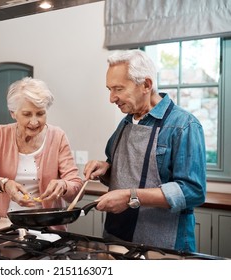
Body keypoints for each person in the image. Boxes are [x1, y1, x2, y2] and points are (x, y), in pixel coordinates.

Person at [83, 49, 206, 252]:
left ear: (146, 85)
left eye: (118, 89)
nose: (112, 98)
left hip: (162, 244)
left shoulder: (184, 125)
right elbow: (125, 169)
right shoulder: (125, 123)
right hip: (116, 238)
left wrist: (130, 197)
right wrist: (105, 168)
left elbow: (193, 191)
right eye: (109, 89)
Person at [0, 77, 83, 231]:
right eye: (27, 114)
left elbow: (77, 188)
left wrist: (64, 186)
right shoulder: (0, 134)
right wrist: (4, 184)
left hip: (48, 229)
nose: (34, 122)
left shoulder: (57, 136)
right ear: (13, 113)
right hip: (4, 227)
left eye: (40, 114)